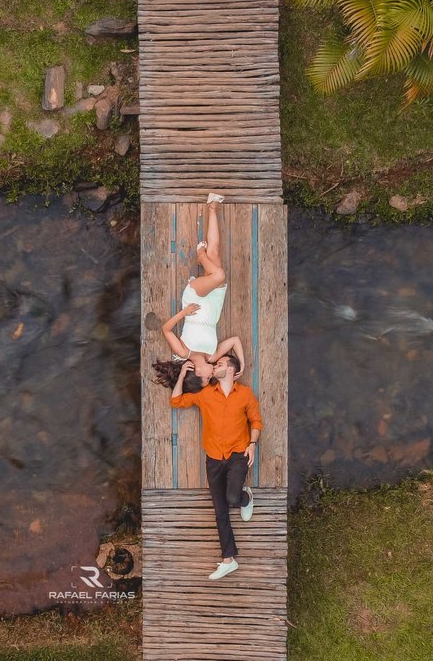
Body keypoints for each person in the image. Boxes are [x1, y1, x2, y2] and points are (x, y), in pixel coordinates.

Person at [169, 353, 262, 580]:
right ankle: (228, 560)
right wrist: (182, 374)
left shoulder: (246, 394)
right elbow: (176, 401)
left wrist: (252, 444)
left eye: (219, 364)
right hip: (213, 458)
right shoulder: (205, 395)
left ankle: (245, 498)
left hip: (238, 455)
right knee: (220, 512)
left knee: (232, 499)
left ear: (230, 369)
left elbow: (256, 421)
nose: (214, 366)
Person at [151, 193, 243, 393]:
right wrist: (241, 367)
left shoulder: (184, 351)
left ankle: (200, 255)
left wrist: (183, 314)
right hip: (214, 305)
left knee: (218, 274)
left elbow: (166, 329)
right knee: (215, 253)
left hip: (195, 300)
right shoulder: (212, 356)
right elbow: (235, 340)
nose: (211, 375)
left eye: (206, 377)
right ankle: (212, 207)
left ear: (196, 372)